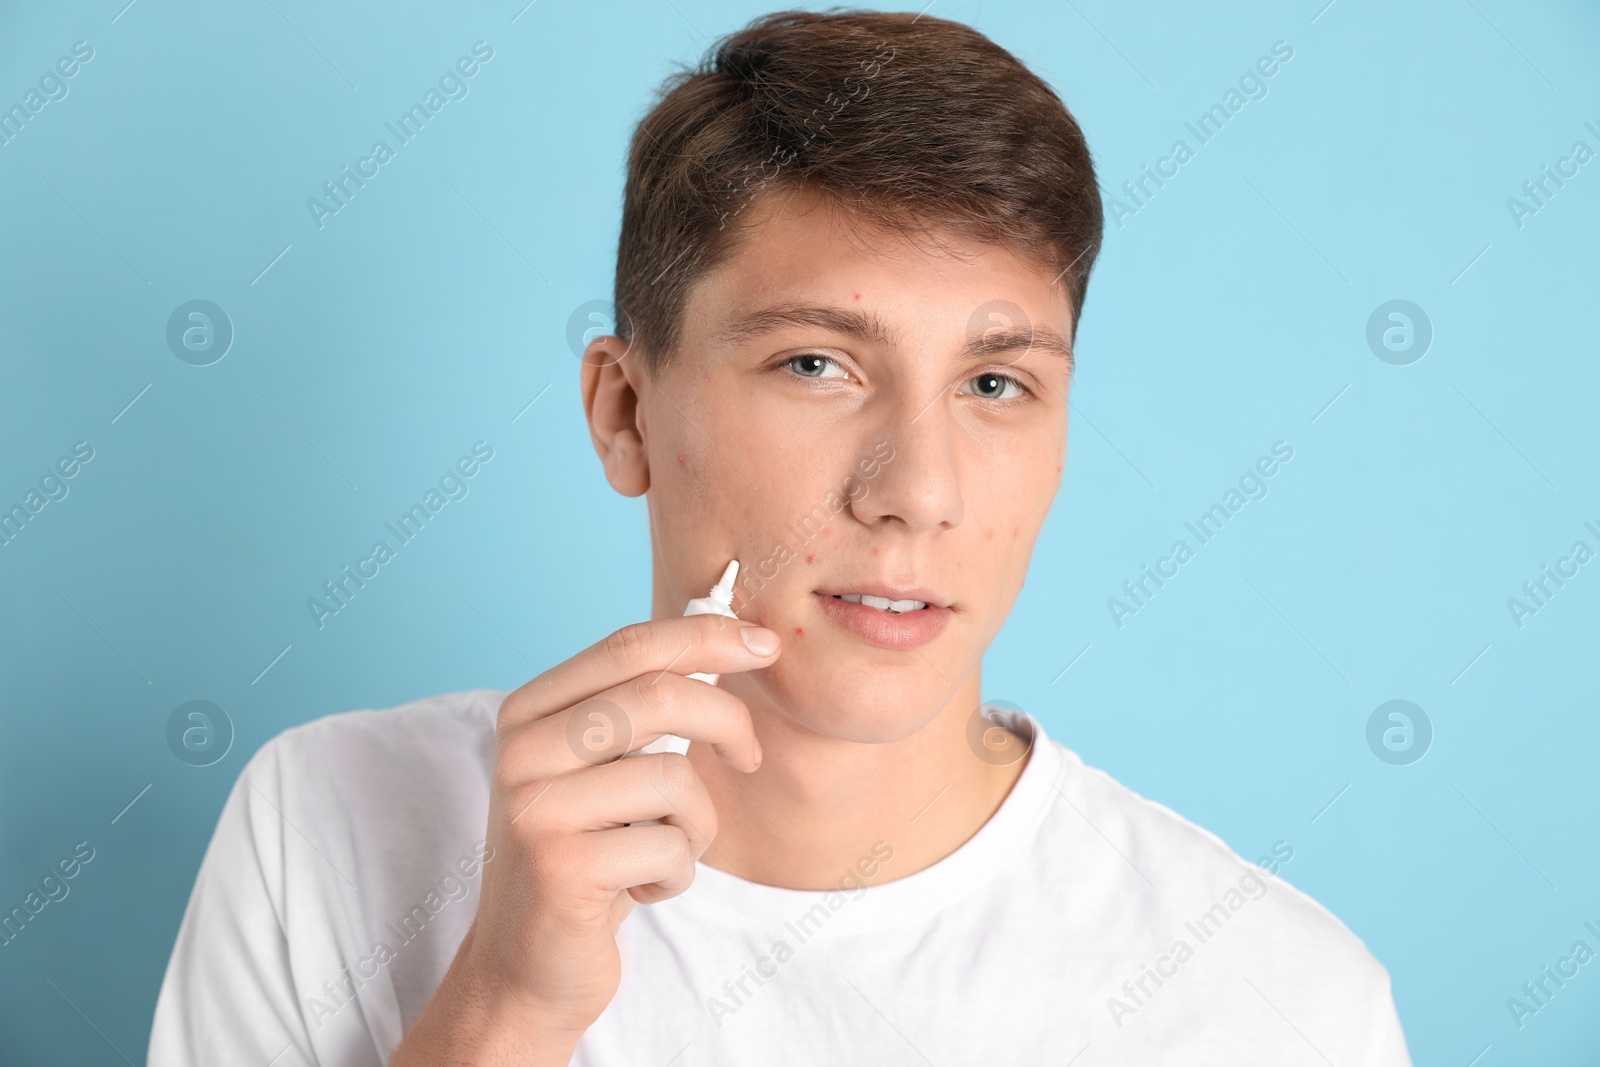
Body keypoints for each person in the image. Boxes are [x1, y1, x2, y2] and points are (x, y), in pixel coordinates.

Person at [148, 9, 1412, 1065]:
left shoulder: (1275, 1000)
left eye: (994, 383)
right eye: (816, 362)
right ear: (626, 410)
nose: (915, 490)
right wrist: (507, 1007)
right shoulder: (328, 823)